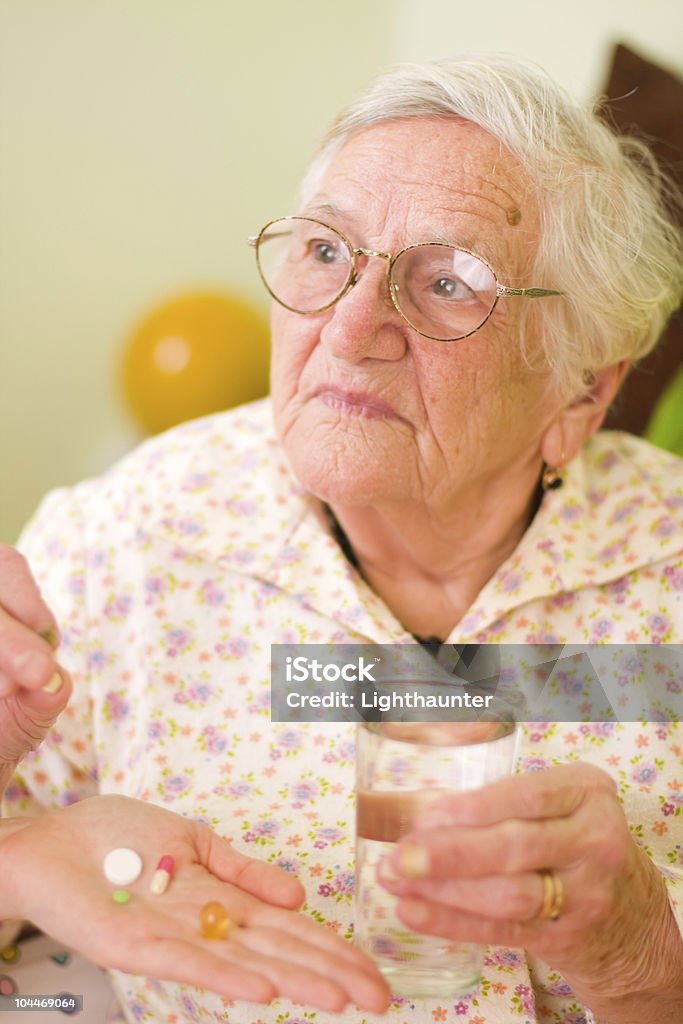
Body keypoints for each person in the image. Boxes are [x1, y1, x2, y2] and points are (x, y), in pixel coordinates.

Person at [1, 53, 682, 1024]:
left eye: (449, 281)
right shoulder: (128, 538)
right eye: (324, 251)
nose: (351, 324)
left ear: (580, 390)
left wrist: (639, 958)